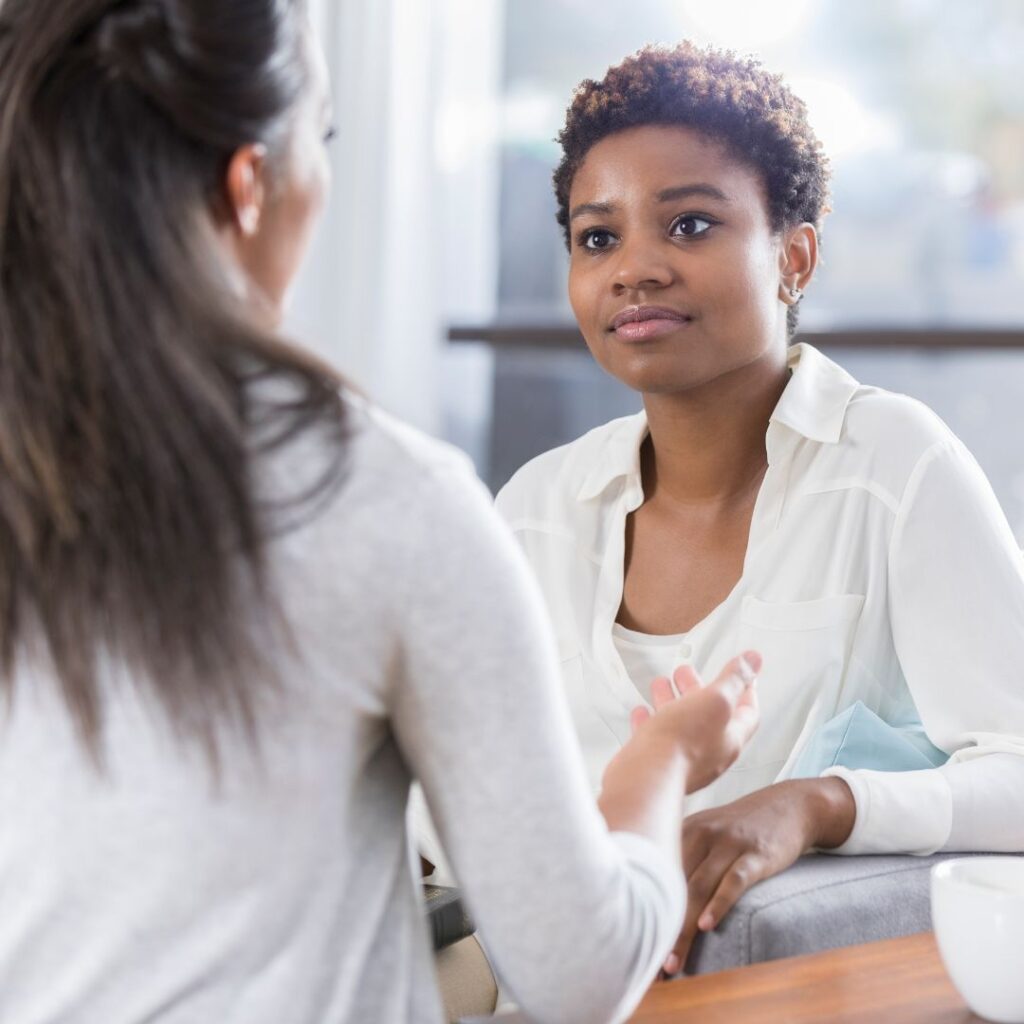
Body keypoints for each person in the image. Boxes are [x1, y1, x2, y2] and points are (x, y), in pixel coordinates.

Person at [0, 5, 762, 1023]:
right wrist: (663, 755)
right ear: (248, 185)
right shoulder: (377, 496)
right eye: (320, 141)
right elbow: (579, 973)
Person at [495, 42, 1024, 975]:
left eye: (690, 226)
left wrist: (819, 804)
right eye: (597, 237)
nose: (635, 269)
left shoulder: (893, 466)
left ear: (795, 255)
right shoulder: (537, 510)